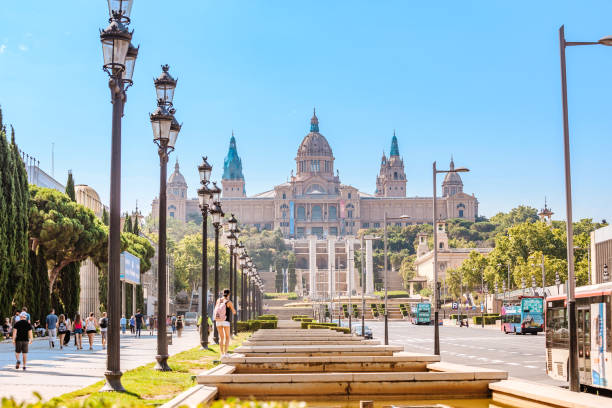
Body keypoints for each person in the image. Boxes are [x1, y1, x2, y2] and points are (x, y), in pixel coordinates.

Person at [214, 289, 236, 358]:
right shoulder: (229, 302)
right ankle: (226, 353)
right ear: (229, 294)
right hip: (226, 321)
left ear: (223, 293)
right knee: (227, 337)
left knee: (221, 337)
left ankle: (221, 354)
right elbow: (234, 311)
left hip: (218, 321)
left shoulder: (218, 300)